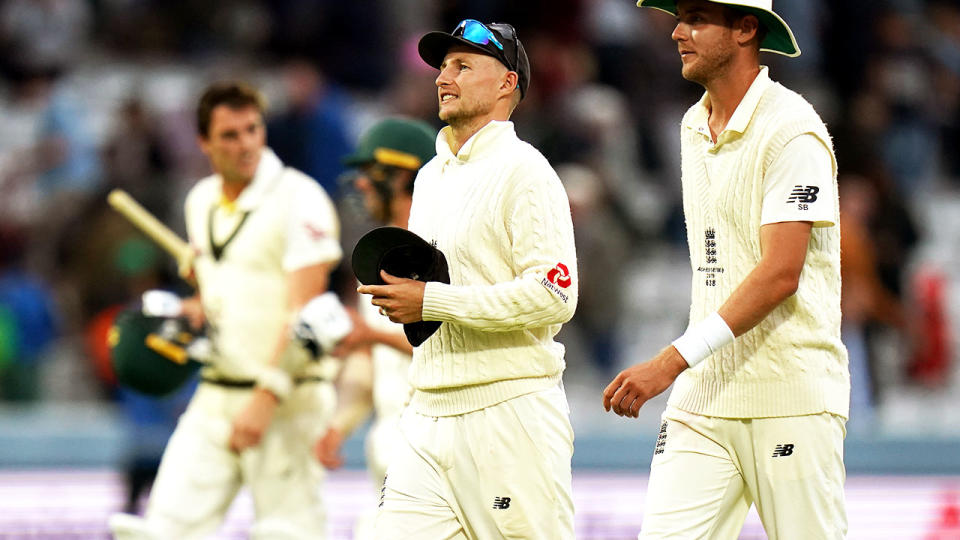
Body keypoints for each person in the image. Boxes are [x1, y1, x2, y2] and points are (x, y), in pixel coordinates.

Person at [602, 1, 850, 538]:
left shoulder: (793, 131)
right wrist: (687, 367)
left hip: (790, 397)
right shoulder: (693, 123)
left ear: (745, 28)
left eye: (695, 17)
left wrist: (671, 360)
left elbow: (780, 275)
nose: (676, 31)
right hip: (704, 398)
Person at [357, 20, 579, 540]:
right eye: (442, 66)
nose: (443, 77)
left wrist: (431, 300)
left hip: (509, 411)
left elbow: (555, 295)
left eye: (462, 65)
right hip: (426, 411)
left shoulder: (526, 171)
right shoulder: (430, 177)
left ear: (507, 84)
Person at [109, 81, 344, 539]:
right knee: (164, 529)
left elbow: (309, 308)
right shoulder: (200, 200)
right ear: (204, 143)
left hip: (287, 400)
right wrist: (195, 307)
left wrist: (267, 394)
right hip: (215, 394)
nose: (247, 144)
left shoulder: (300, 197)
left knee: (287, 532)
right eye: (230, 135)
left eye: (253, 129)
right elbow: (229, 291)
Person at [312, 117, 436, 539]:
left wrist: (371, 335)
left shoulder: (444, 251)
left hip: (434, 446)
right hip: (390, 448)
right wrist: (339, 425)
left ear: (401, 174)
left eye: (369, 174)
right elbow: (369, 373)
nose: (361, 186)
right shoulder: (376, 254)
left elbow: (460, 348)